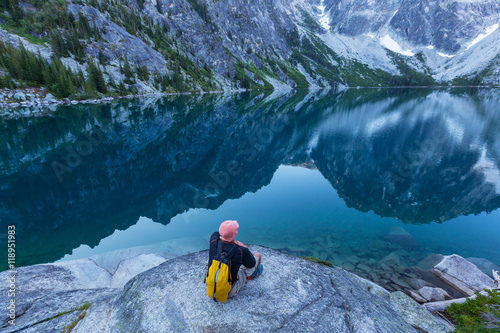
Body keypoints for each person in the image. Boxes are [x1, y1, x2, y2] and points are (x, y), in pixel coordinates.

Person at [208, 220, 263, 298]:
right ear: (235, 234)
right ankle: (251, 276)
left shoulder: (213, 239)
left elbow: (218, 234)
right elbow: (252, 264)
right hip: (229, 291)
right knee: (257, 255)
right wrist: (245, 247)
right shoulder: (240, 250)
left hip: (211, 285)